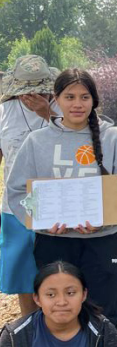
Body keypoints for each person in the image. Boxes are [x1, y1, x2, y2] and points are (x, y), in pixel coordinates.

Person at [5, 68, 117, 347]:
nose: (77, 104)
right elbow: (18, 193)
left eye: (84, 97)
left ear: (94, 100)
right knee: (57, 315)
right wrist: (43, 219)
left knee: (106, 315)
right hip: (54, 245)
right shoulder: (38, 141)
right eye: (69, 97)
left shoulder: (111, 139)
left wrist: (104, 220)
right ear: (56, 99)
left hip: (102, 242)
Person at [0, 55, 59, 317]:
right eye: (27, 89)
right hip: (17, 204)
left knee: (57, 270)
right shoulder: (4, 111)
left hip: (56, 202)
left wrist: (47, 113)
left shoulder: (62, 106)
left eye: (40, 88)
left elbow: (82, 139)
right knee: (24, 273)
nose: (33, 94)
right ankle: (28, 325)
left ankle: (57, 326)